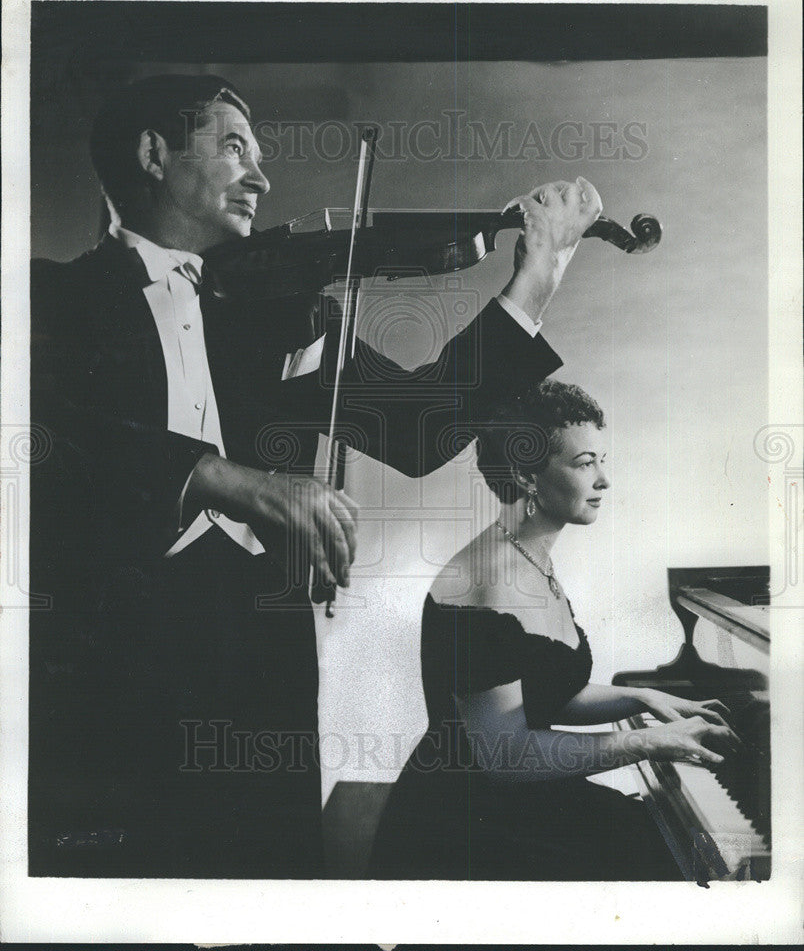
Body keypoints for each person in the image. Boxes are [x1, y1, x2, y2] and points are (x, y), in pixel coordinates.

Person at [28, 74, 604, 878]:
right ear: (154, 155)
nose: (261, 176)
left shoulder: (276, 311)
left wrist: (533, 280)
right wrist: (229, 479)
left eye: (259, 154)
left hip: (254, 655)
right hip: (100, 671)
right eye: (233, 147)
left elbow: (417, 425)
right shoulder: (47, 300)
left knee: (266, 876)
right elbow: (48, 437)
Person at [369, 379, 740, 880]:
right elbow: (504, 755)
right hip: (468, 826)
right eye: (586, 463)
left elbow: (544, 693)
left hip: (515, 800)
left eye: (601, 460)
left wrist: (646, 699)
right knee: (671, 856)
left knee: (666, 844)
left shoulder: (529, 555)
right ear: (527, 475)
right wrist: (649, 742)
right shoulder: (490, 584)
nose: (604, 480)